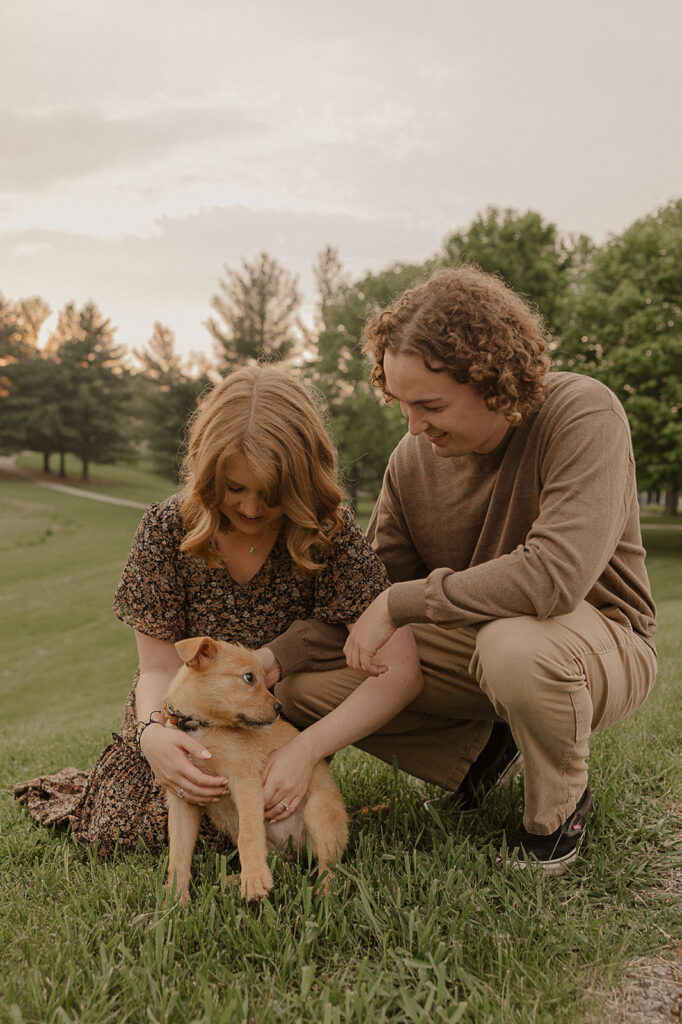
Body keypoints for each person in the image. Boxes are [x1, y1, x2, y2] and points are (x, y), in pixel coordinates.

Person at [275, 266, 657, 874]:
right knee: (306, 685)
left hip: (597, 642)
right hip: (476, 645)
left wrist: (399, 603)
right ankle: (480, 754)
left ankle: (556, 815)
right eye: (401, 405)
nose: (415, 426)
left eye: (430, 405)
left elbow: (553, 577)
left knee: (515, 646)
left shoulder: (583, 413)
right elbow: (363, 600)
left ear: (495, 382)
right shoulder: (412, 460)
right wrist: (273, 660)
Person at [14, 364, 422, 856]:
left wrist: (304, 750)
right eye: (235, 489)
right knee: (124, 831)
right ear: (209, 474)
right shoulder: (166, 528)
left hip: (266, 728)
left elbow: (402, 670)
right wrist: (152, 738)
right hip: (179, 716)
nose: (251, 509)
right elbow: (159, 667)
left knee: (264, 818)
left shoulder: (325, 531)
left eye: (271, 495)